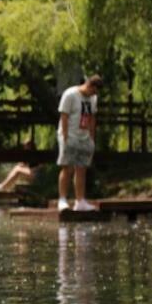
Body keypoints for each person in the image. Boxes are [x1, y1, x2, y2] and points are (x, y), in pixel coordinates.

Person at [56, 74, 102, 212]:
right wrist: (65, 138)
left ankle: (80, 201)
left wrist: (92, 139)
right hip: (70, 135)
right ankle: (62, 199)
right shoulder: (70, 94)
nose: (94, 94)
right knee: (67, 168)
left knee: (81, 169)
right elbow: (64, 116)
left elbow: (92, 118)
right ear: (89, 85)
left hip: (84, 137)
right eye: (94, 91)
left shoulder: (93, 98)